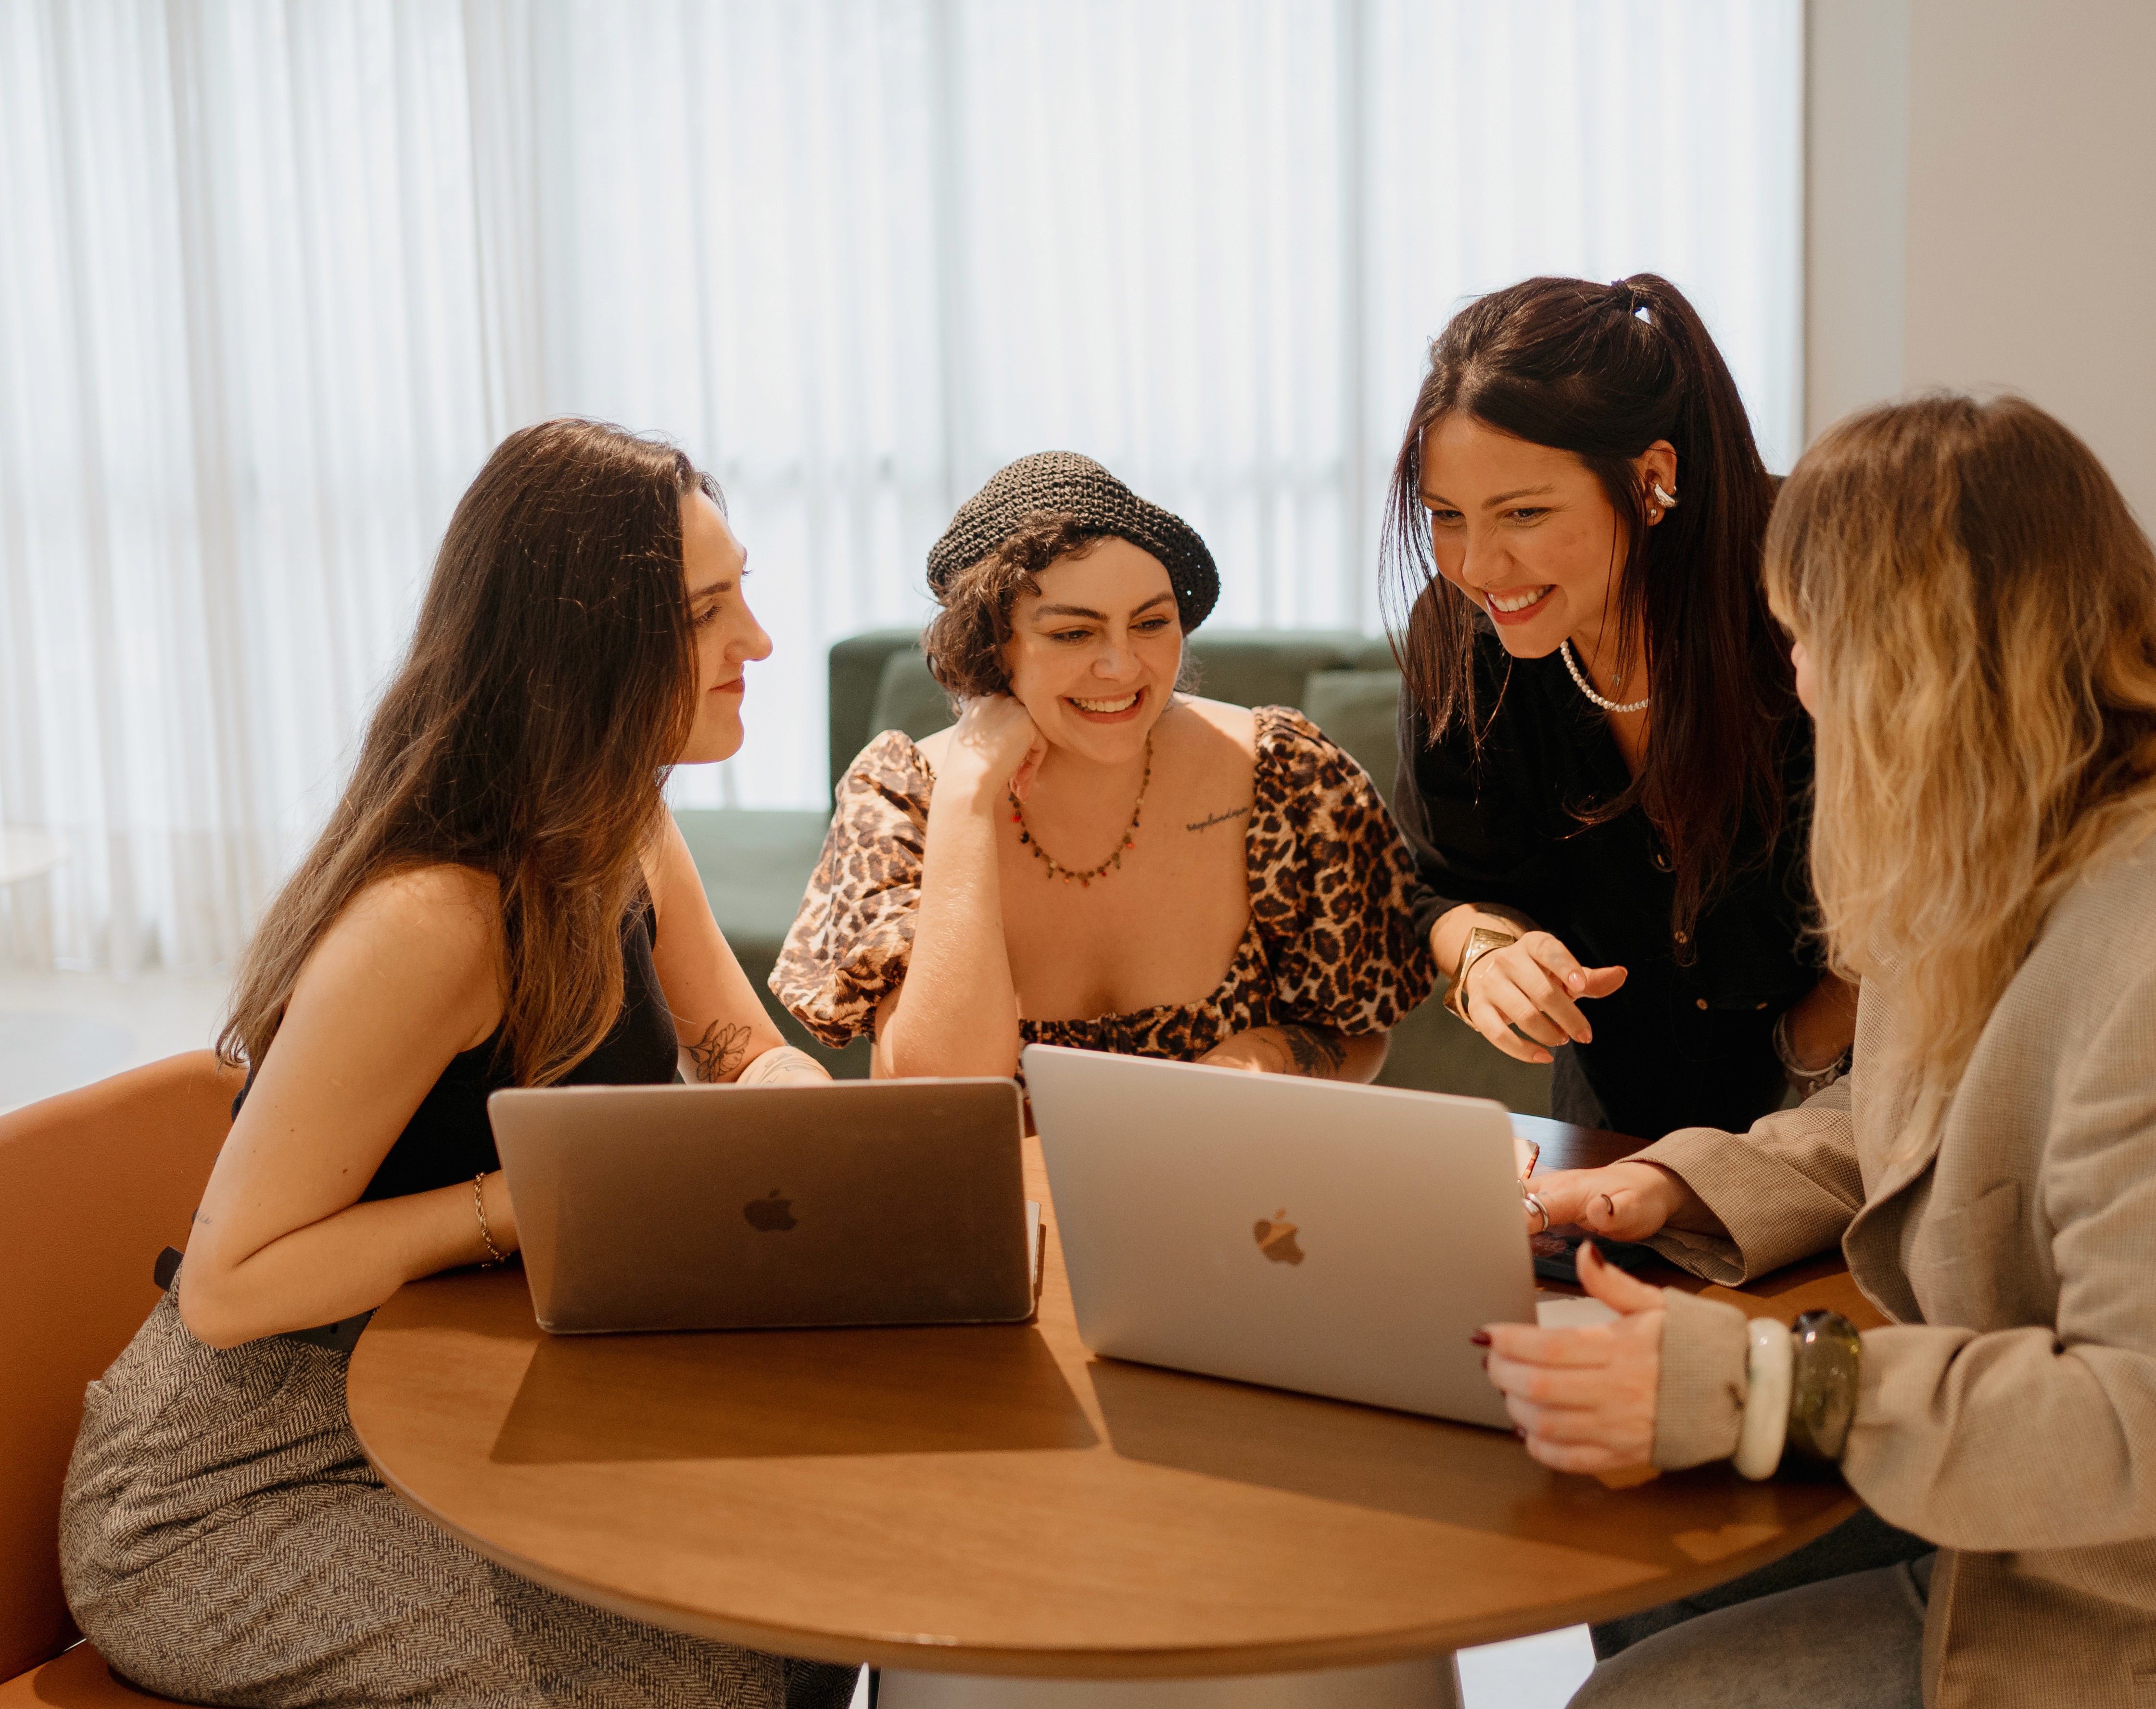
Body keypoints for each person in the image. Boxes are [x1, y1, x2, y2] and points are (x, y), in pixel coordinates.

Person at [1487, 393, 2156, 1707]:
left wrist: (1747, 1381)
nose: (1796, 681)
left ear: (1911, 665)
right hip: (2101, 1543)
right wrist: (1685, 1186)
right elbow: (1951, 1107)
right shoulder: (2029, 842)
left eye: (1805, 639)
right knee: (1664, 1570)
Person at [60, 420, 855, 1709]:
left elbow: (734, 1038)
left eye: (741, 593)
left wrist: (783, 1111)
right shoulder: (434, 923)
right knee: (715, 1662)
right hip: (239, 1489)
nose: (756, 643)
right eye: (711, 612)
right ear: (583, 648)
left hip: (454, 1399)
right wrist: (521, 1206)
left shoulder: (624, 818)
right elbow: (228, 1287)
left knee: (817, 1585)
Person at [774, 451, 1432, 1080]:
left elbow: (1358, 1030)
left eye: (1150, 623)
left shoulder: (1287, 775)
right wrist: (967, 798)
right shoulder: (900, 797)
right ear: (990, 643)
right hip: (999, 1194)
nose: (1121, 667)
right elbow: (945, 1084)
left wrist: (1264, 1057)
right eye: (1072, 633)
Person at [1385, 272, 1858, 1146]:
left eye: (1522, 512)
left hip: (1857, 1115)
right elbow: (1447, 885)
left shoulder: (1817, 581)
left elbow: (1953, 869)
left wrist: (1807, 1047)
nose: (1478, 566)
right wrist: (1489, 953)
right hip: (1618, 1131)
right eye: (1446, 515)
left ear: (1651, 479)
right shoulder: (1459, 635)